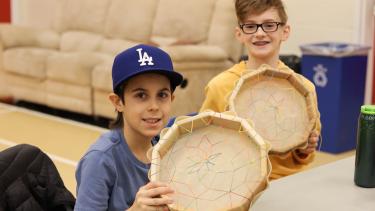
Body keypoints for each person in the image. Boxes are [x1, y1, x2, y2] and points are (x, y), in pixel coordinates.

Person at [200, 0, 321, 180]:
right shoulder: (220, 86)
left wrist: (305, 149)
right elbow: (203, 145)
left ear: (285, 32)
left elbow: (306, 156)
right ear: (239, 33)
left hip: (289, 180)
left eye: (269, 25)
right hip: (238, 184)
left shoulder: (303, 88)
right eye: (250, 26)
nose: (260, 33)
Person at [75, 44, 183, 210]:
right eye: (141, 95)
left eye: (162, 95)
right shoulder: (100, 160)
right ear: (118, 102)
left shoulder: (168, 145)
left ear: (172, 99)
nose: (154, 106)